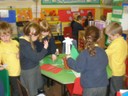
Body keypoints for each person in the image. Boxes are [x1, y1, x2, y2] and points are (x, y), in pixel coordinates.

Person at [66, 26, 109, 96]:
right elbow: (106, 63)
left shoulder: (84, 54)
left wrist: (69, 59)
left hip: (89, 87)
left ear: (84, 38)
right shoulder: (103, 52)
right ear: (98, 39)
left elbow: (78, 68)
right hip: (103, 86)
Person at [19, 22, 48, 96]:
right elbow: (36, 58)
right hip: (29, 71)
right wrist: (45, 48)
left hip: (33, 68)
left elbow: (33, 55)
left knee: (37, 87)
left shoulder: (27, 41)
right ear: (32, 34)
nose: (37, 38)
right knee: (32, 91)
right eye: (37, 36)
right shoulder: (25, 45)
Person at [105, 22, 128, 96]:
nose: (109, 38)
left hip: (116, 71)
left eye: (110, 36)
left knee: (116, 91)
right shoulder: (123, 41)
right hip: (120, 70)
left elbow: (105, 53)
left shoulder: (116, 44)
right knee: (118, 89)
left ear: (117, 35)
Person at [0, 21, 21, 96]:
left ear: (11, 34)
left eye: (7, 35)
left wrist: (19, 53)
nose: (5, 38)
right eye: (2, 36)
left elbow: (21, 51)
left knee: (19, 89)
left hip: (20, 70)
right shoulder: (1, 46)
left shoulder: (15, 42)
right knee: (16, 90)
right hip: (11, 73)